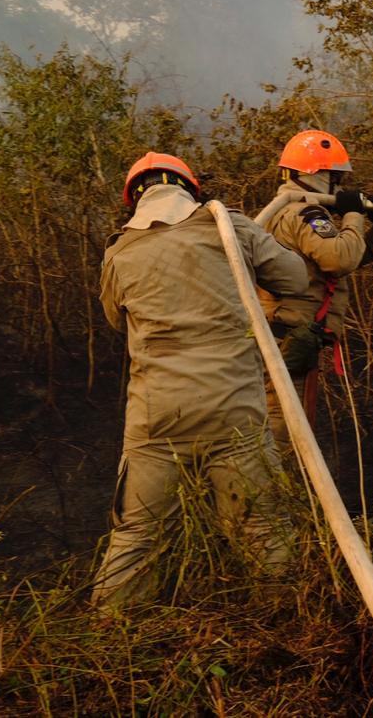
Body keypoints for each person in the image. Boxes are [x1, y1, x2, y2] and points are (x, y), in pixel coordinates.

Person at [92, 152, 308, 607]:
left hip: (157, 419)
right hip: (234, 412)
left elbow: (116, 320)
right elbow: (295, 278)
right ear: (191, 187)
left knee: (137, 535)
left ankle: (114, 642)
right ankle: (286, 627)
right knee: (263, 528)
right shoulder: (229, 227)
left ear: (134, 199)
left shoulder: (119, 252)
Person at [258, 129, 373, 448]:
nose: (340, 185)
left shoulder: (285, 209)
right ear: (319, 175)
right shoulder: (305, 212)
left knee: (276, 419)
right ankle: (277, 490)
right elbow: (339, 259)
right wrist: (353, 213)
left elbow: (340, 257)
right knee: (283, 429)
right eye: (336, 177)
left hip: (284, 334)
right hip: (291, 337)